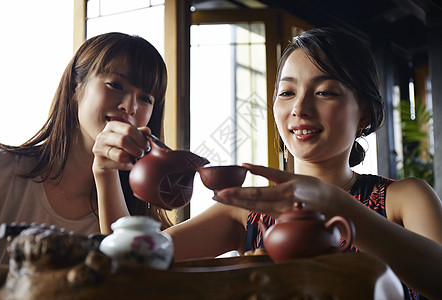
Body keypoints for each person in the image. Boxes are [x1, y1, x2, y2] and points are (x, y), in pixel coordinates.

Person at [161, 28, 442, 299]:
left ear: (364, 115)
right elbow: (127, 262)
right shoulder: (246, 214)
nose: (299, 108)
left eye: (325, 92)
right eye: (287, 93)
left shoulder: (404, 199)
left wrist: (336, 204)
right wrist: (116, 170)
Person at [0, 32, 171, 265]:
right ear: (76, 87)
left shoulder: (141, 219)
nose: (130, 107)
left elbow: (130, 280)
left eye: (146, 98)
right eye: (115, 85)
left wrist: (106, 173)